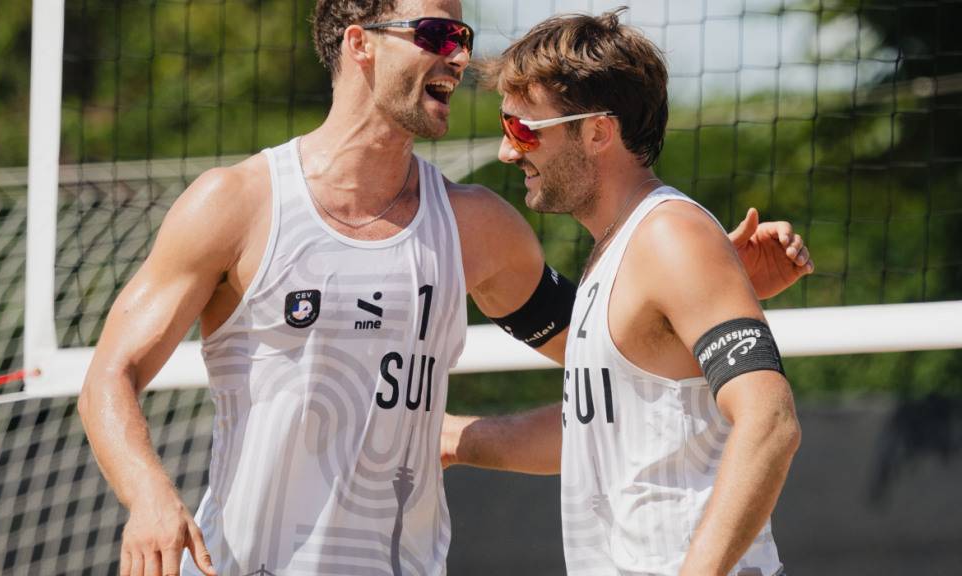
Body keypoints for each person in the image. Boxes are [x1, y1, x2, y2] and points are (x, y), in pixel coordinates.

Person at [77, 1, 811, 575]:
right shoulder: (236, 203)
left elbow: (649, 371)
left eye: (462, 36)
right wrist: (148, 493)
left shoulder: (479, 226)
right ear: (360, 44)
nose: (457, 54)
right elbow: (109, 373)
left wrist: (706, 286)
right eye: (435, 32)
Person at [441, 9, 803, 576]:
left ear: (597, 132)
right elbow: (598, 435)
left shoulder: (670, 236)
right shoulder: (622, 249)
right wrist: (454, 439)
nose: (510, 151)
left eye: (523, 129)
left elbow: (771, 421)